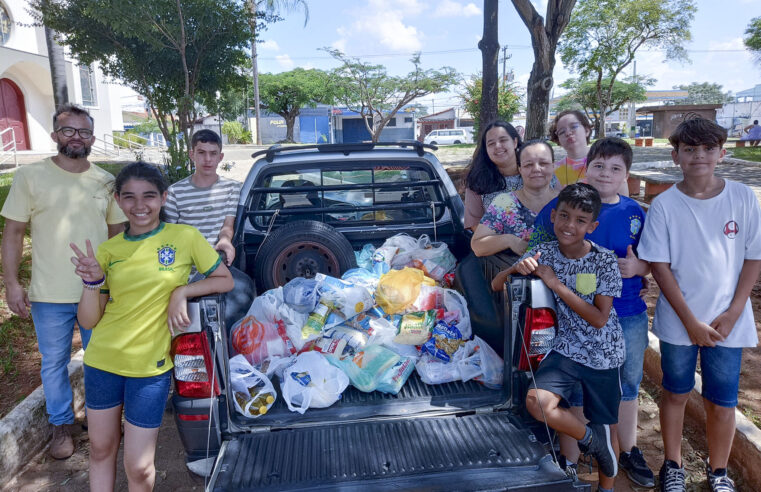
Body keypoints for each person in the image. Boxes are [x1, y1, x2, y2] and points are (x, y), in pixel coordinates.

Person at [69, 162, 234, 491]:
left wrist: (182, 290)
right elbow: (88, 321)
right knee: (101, 449)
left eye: (149, 196)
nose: (139, 205)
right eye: (129, 197)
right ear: (118, 199)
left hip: (150, 368)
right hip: (103, 361)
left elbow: (224, 280)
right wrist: (92, 283)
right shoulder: (108, 250)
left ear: (163, 197)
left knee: (140, 467)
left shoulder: (183, 237)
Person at [638, 117, 761, 492]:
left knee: (721, 402)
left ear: (722, 153)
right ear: (675, 156)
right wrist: (690, 321)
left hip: (729, 324)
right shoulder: (664, 206)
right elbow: (659, 267)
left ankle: (718, 470)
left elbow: (753, 257)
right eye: (689, 149)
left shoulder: (742, 197)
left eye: (708, 149)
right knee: (675, 392)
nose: (699, 156)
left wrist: (735, 311)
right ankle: (673, 465)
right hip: (679, 323)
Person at [0, 104, 125, 460]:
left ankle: (105, 419)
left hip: (97, 290)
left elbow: (117, 234)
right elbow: (13, 232)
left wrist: (115, 283)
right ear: (55, 135)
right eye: (68, 130)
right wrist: (12, 284)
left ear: (93, 138)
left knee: (102, 358)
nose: (76, 138)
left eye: (83, 132)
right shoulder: (29, 177)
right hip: (49, 294)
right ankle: (61, 426)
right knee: (53, 362)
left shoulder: (105, 180)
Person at [527, 138, 653, 487]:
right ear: (586, 167)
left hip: (625, 314)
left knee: (624, 389)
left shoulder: (634, 212)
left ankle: (624, 452)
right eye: (599, 165)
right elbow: (537, 249)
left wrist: (641, 269)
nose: (606, 173)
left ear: (627, 174)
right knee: (574, 395)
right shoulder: (560, 208)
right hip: (571, 323)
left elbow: (654, 259)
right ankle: (572, 458)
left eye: (616, 168)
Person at [492, 183, 624, 492]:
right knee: (538, 402)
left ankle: (607, 486)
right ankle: (590, 441)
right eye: (564, 216)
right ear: (553, 217)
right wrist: (516, 267)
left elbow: (598, 318)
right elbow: (498, 285)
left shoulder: (604, 261)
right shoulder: (544, 253)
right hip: (565, 350)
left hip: (603, 353)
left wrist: (555, 283)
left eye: (580, 220)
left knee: (607, 427)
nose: (569, 225)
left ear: (592, 226)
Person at [463, 121, 559, 231]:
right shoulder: (477, 181)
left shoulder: (539, 172)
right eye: (491, 143)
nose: (498, 146)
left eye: (503, 140)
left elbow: (563, 205)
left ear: (515, 142)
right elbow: (475, 225)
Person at [165, 129, 241, 266]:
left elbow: (228, 225)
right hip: (181, 267)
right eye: (201, 153)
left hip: (215, 265)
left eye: (213, 153)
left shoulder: (232, 188)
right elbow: (168, 234)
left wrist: (225, 240)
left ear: (220, 157)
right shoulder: (175, 192)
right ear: (191, 155)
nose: (207, 159)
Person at [471, 140, 558, 256]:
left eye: (543, 163)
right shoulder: (505, 203)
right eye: (528, 165)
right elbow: (477, 246)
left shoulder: (568, 202)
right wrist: (509, 240)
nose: (536, 169)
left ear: (553, 166)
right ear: (520, 169)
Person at [549, 110, 629, 196]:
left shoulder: (608, 162)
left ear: (587, 130)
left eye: (573, 126)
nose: (568, 133)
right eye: (561, 132)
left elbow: (623, 200)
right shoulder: (555, 170)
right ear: (558, 140)